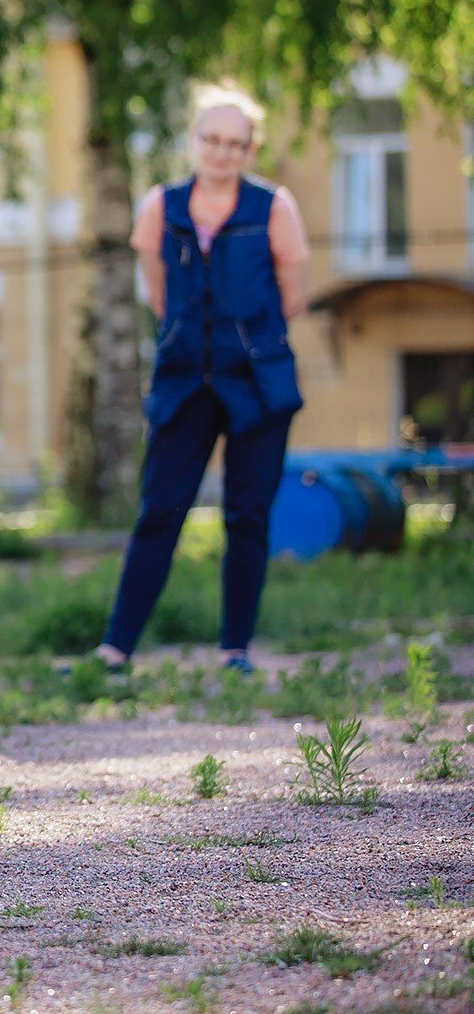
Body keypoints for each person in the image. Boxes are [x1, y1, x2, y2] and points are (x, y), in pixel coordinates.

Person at [95, 87, 308, 675]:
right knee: (159, 511)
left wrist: (242, 341)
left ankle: (235, 650)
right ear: (194, 141)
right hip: (184, 381)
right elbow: (159, 296)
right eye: (211, 140)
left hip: (258, 385)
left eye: (235, 144)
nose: (221, 153)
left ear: (250, 149)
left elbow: (294, 296)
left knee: (247, 516)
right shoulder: (161, 206)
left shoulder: (274, 207)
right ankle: (115, 649)